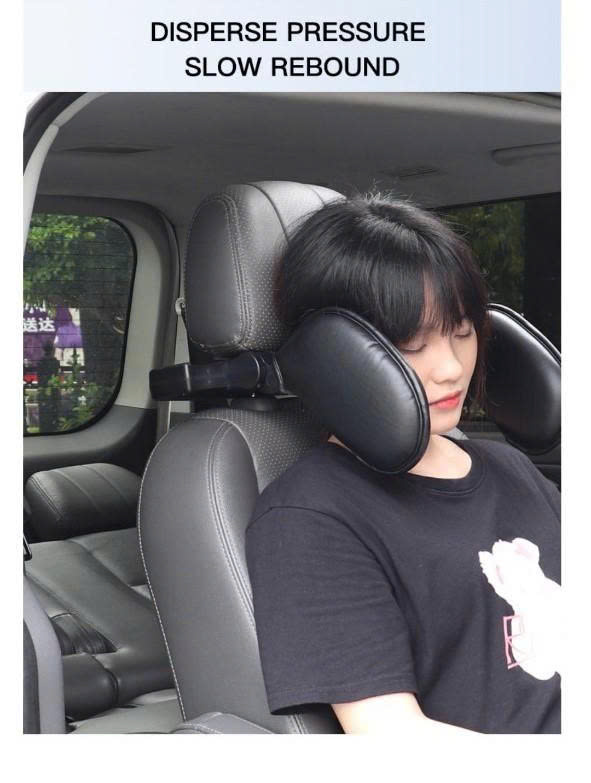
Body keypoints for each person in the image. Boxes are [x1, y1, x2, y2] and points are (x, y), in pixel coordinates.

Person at [245, 194, 561, 735]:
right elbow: (391, 735)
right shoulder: (310, 517)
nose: (450, 368)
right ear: (336, 351)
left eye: (462, 331)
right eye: (411, 343)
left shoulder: (512, 467)